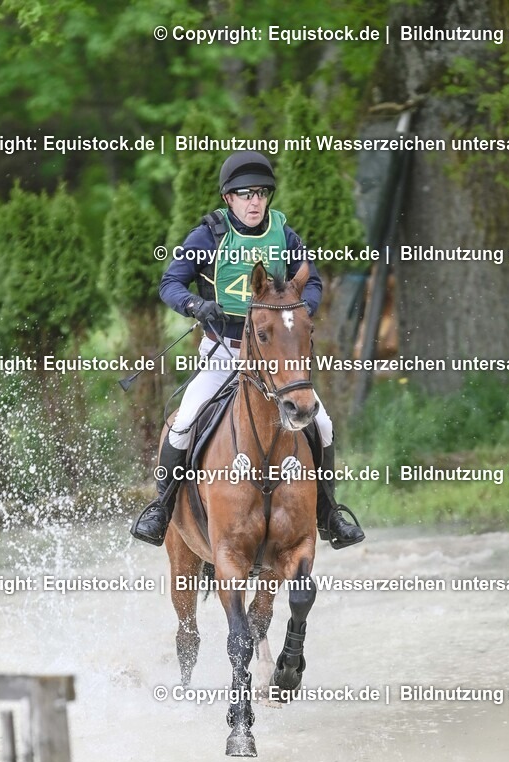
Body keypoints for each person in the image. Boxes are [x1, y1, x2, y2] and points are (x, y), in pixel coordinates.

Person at [130, 151, 364, 549]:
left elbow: (313, 282)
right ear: (228, 198)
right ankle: (161, 509)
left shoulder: (283, 234)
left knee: (321, 425)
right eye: (244, 194)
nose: (254, 202)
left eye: (260, 193)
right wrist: (195, 305)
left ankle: (329, 513)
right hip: (223, 352)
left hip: (274, 363)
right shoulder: (207, 236)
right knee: (184, 421)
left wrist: (297, 314)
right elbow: (170, 283)